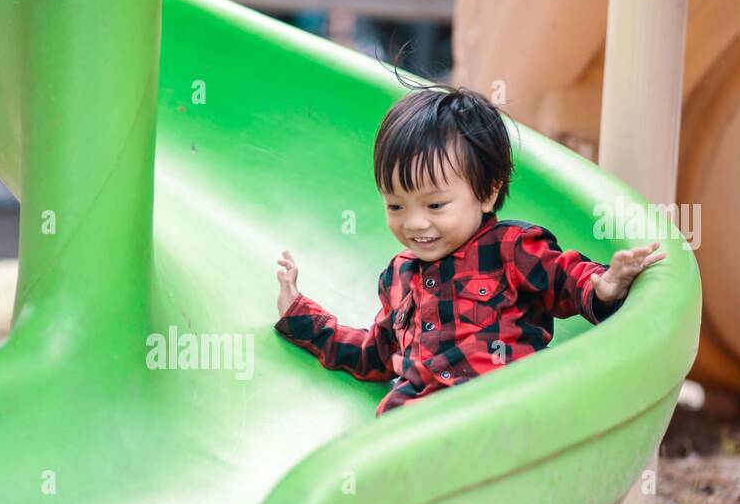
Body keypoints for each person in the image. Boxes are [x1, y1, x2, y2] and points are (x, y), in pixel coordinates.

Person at [273, 84, 665, 416]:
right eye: (395, 206)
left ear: (487, 192)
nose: (414, 224)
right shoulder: (398, 279)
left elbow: (564, 278)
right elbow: (371, 354)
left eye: (435, 205)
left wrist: (605, 285)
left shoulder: (509, 248)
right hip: (422, 419)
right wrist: (299, 315)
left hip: (504, 404)